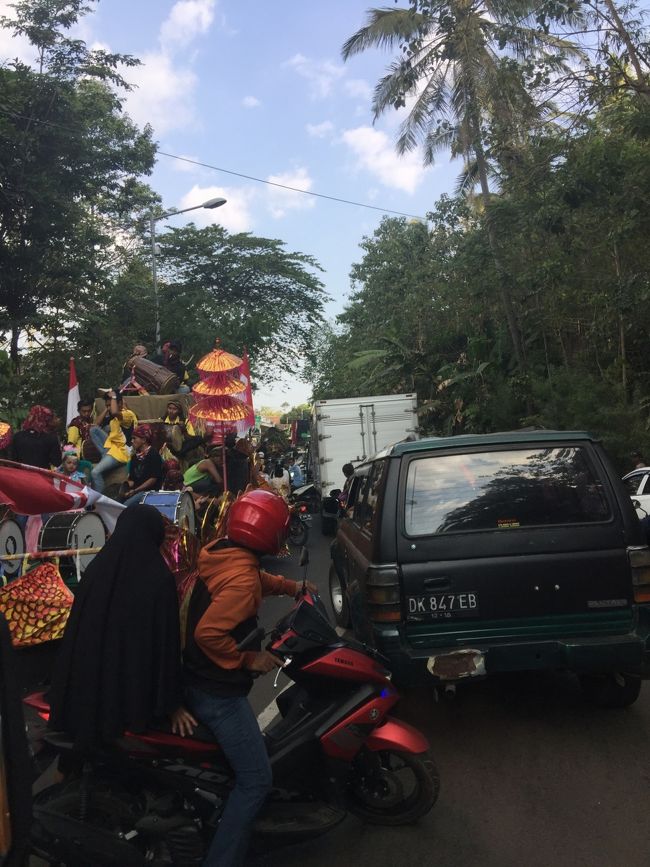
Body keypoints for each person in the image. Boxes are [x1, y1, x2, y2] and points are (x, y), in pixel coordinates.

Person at [184, 489, 317, 867]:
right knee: (257, 780)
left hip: (196, 676)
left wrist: (293, 587)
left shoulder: (220, 551)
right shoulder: (242, 581)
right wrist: (247, 658)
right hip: (216, 692)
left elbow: (253, 576)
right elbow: (208, 634)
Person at [49, 506, 196, 750]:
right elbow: (165, 648)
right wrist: (173, 704)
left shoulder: (97, 570)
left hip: (86, 690)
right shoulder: (159, 579)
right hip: (132, 698)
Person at [89, 390, 137, 494]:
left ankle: (99, 500)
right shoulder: (113, 418)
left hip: (121, 452)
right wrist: (107, 408)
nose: (110, 408)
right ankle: (105, 455)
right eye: (107, 405)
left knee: (95, 472)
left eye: (111, 405)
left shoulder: (128, 414)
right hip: (111, 448)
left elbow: (115, 412)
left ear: (119, 403)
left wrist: (114, 397)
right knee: (93, 430)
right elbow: (95, 425)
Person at [122, 424, 164, 507]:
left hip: (150, 492)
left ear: (144, 440)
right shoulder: (135, 457)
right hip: (137, 490)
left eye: (134, 438)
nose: (132, 441)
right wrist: (125, 489)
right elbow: (132, 479)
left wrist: (135, 491)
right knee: (116, 502)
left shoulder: (153, 455)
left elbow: (153, 479)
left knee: (125, 506)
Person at [11, 405, 61, 470]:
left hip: (20, 476)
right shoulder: (51, 438)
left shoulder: (17, 436)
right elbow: (57, 462)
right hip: (41, 477)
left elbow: (12, 460)